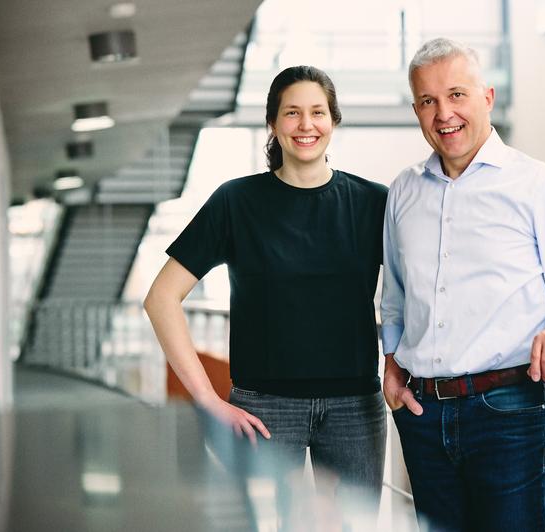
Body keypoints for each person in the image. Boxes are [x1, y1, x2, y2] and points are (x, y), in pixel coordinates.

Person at [380, 38, 545, 532]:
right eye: (428, 101)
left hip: (510, 412)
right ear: (416, 110)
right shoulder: (403, 190)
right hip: (423, 415)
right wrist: (392, 363)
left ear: (486, 97)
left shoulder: (538, 183)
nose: (444, 113)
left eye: (456, 95)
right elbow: (396, 296)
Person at [144, 66, 388, 526]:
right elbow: (161, 299)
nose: (305, 124)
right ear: (273, 124)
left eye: (317, 112)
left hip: (355, 408)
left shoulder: (374, 202)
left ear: (333, 121)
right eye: (292, 113)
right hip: (264, 408)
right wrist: (207, 399)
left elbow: (416, 290)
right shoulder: (237, 201)